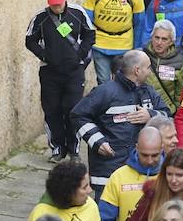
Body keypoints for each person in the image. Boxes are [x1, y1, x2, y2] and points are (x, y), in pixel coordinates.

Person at [71, 49, 167, 199]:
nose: (150, 72)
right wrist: (97, 141)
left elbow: (166, 115)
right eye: (148, 67)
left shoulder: (149, 92)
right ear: (137, 70)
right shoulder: (105, 92)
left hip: (140, 170)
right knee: (105, 218)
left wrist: (151, 115)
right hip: (107, 171)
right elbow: (78, 115)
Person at [25, 0, 95, 161]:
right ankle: (57, 148)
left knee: (73, 109)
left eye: (59, 2)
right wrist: (44, 55)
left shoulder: (78, 13)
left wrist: (80, 53)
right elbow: (30, 40)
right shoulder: (40, 18)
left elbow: (90, 34)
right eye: (52, 3)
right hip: (50, 72)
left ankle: (74, 149)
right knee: (52, 110)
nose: (56, 6)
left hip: (74, 71)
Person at [83, 0, 146, 85]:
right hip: (100, 44)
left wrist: (138, 47)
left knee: (124, 82)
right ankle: (106, 105)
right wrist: (87, 42)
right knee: (103, 81)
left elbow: (139, 22)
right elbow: (86, 19)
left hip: (124, 46)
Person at [142, 20, 183, 115]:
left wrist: (177, 115)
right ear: (152, 37)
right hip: (143, 109)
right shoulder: (142, 56)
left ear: (171, 41)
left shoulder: (179, 62)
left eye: (164, 39)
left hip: (166, 112)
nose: (159, 42)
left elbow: (179, 94)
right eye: (156, 38)